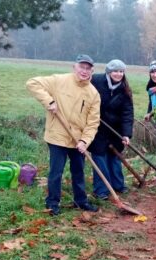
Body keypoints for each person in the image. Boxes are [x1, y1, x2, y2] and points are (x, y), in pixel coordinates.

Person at [26, 54, 101, 216]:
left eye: (88, 68)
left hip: (78, 141)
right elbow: (32, 83)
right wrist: (49, 101)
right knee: (56, 172)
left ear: (92, 71)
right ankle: (52, 203)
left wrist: (84, 141)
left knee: (79, 171)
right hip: (57, 136)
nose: (84, 71)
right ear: (74, 67)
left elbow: (93, 122)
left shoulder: (93, 94)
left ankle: (81, 201)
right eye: (82, 67)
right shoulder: (59, 80)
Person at [87, 59, 134, 199]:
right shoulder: (95, 81)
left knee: (114, 157)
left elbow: (127, 113)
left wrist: (126, 134)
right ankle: (101, 190)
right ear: (108, 71)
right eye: (115, 71)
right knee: (99, 157)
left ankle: (118, 185)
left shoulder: (125, 88)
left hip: (116, 130)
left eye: (121, 71)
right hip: (97, 127)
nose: (118, 74)